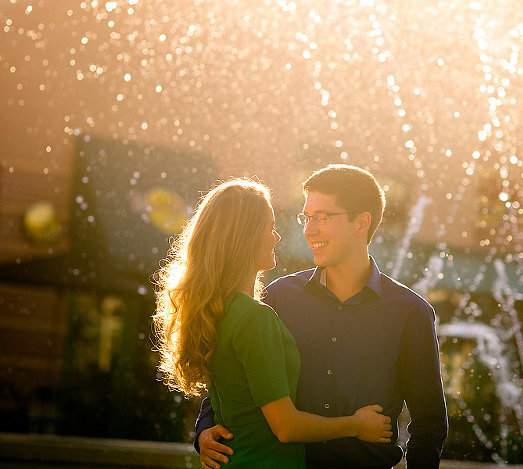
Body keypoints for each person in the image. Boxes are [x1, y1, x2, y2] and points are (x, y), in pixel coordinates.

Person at [196, 165, 448, 469]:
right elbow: (233, 378)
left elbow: (429, 424)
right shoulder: (277, 298)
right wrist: (204, 429)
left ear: (361, 223)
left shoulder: (411, 312)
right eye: (307, 217)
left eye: (323, 217)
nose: (308, 229)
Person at [153, 178, 392, 469]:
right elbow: (287, 427)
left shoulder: (219, 310)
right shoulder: (255, 317)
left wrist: (203, 430)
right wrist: (356, 425)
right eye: (270, 227)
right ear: (246, 237)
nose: (277, 237)